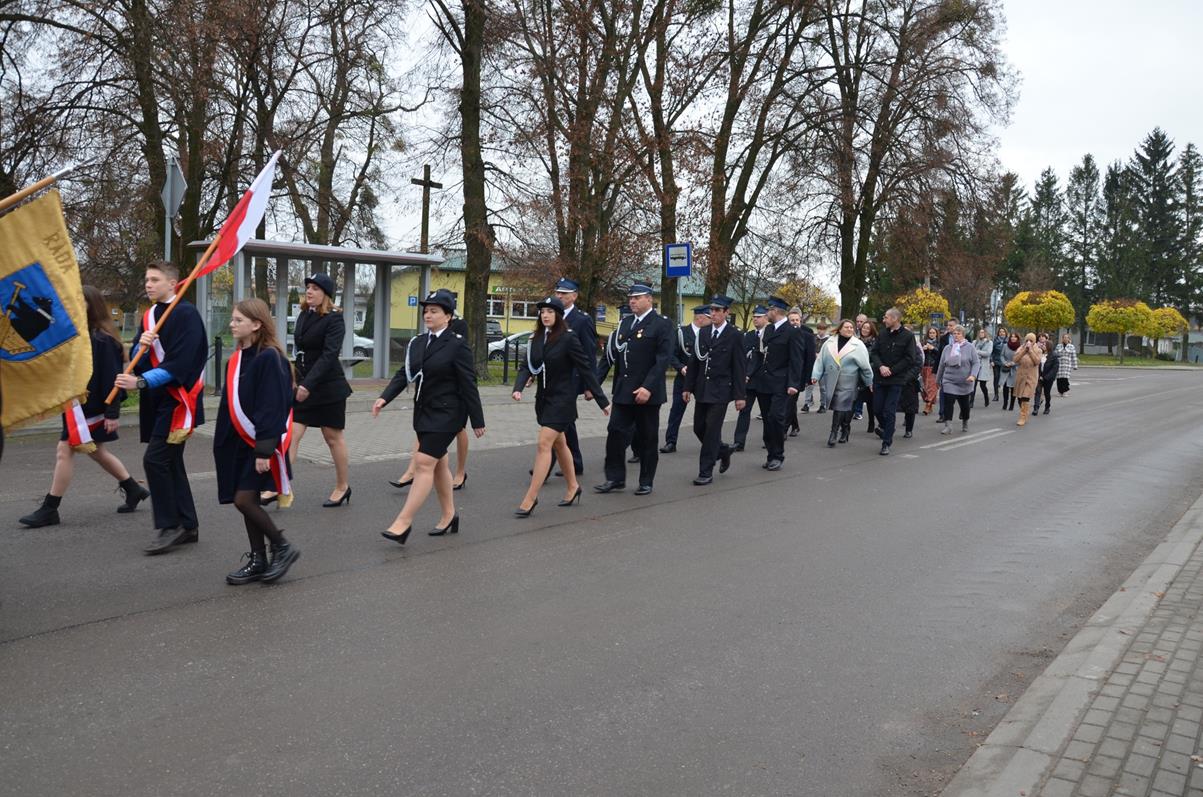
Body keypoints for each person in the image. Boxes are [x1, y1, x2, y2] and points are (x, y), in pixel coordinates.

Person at [19, 285, 149, 528]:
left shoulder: (102, 339)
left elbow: (113, 378)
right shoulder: (80, 335)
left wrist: (112, 413)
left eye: (81, 301)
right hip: (78, 405)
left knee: (65, 450)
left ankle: (50, 508)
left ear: (92, 306)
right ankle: (133, 488)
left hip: (93, 408)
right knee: (96, 451)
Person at [372, 289, 486, 543]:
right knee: (439, 465)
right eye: (426, 311)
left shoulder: (457, 344)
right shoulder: (418, 342)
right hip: (424, 412)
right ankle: (449, 515)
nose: (428, 315)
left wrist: (477, 420)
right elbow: (404, 374)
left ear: (448, 316)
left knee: (423, 462)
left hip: (448, 414)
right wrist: (384, 398)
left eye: (434, 311)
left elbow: (469, 383)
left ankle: (403, 523)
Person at [114, 261, 207, 556]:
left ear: (172, 283)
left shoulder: (185, 314)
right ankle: (188, 525)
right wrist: (139, 347)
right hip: (158, 401)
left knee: (155, 460)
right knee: (170, 462)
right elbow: (141, 360)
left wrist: (141, 382)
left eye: (155, 279)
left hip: (179, 401)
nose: (148, 284)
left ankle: (171, 525)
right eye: (147, 279)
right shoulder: (150, 315)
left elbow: (182, 363)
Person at [214, 299, 301, 585]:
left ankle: (282, 547)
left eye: (238, 320)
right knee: (246, 500)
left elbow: (271, 406)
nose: (232, 324)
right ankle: (258, 558)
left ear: (256, 324)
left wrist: (264, 449)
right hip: (238, 443)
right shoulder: (237, 359)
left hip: (259, 443)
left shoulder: (269, 358)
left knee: (244, 500)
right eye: (233, 319)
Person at [511, 296, 610, 515]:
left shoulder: (568, 338)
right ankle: (573, 486)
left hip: (563, 400)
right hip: (543, 400)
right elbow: (527, 366)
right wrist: (518, 388)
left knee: (543, 444)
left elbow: (586, 369)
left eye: (550, 312)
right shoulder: (536, 338)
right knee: (560, 444)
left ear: (558, 315)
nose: (545, 315)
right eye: (542, 312)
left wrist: (602, 400)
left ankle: (530, 498)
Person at [266, 272, 352, 508]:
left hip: (329, 388)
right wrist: (294, 378)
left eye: (315, 288)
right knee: (291, 434)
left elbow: (329, 355)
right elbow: (301, 352)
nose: (309, 292)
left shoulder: (335, 319)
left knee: (332, 438)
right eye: (308, 288)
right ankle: (278, 485)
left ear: (326, 294)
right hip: (304, 385)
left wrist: (307, 384)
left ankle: (342, 486)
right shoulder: (304, 314)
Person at [594, 283, 673, 496]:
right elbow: (612, 356)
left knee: (647, 437)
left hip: (648, 393)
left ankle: (646, 480)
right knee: (615, 433)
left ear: (649, 299)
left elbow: (662, 359)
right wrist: (594, 384)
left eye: (637, 298)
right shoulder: (625, 324)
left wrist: (648, 387)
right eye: (630, 298)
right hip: (624, 390)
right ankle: (615, 478)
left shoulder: (662, 324)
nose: (632, 301)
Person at [682, 295, 746, 485]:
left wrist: (740, 395)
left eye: (718, 310)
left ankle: (705, 471)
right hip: (702, 388)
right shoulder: (703, 332)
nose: (714, 313)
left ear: (727, 312)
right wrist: (687, 387)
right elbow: (694, 361)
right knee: (698, 427)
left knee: (711, 430)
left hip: (721, 391)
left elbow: (739, 367)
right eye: (712, 310)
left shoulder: (735, 335)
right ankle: (723, 450)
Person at [752, 296, 804, 470]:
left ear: (774, 311)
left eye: (768, 310)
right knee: (767, 419)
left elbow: (796, 360)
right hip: (764, 382)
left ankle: (777, 455)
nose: (766, 313)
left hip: (781, 383)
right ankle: (770, 454)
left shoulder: (792, 332)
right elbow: (760, 355)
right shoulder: (768, 330)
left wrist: (793, 383)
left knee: (776, 417)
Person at [555, 277, 597, 475]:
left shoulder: (582, 320)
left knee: (559, 419)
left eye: (563, 293)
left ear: (574, 296)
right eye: (557, 292)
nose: (559, 296)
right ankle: (573, 462)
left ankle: (548, 463)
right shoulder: (551, 316)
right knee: (564, 420)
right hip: (553, 378)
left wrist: (590, 385)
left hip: (572, 378)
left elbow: (589, 354)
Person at [810, 319, 872, 447]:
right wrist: (816, 375)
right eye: (846, 327)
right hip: (833, 379)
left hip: (850, 380)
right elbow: (821, 360)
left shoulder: (858, 345)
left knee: (841, 407)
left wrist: (869, 381)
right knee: (842, 407)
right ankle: (844, 429)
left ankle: (835, 432)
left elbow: (865, 366)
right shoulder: (829, 342)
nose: (849, 329)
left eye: (851, 327)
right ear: (840, 329)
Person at [869, 307, 921, 455]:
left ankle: (886, 443)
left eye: (886, 317)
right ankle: (888, 428)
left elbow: (910, 358)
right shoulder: (882, 334)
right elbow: (874, 353)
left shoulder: (908, 336)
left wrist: (891, 370)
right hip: (880, 378)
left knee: (889, 411)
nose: (884, 320)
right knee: (877, 409)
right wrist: (881, 366)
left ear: (895, 319)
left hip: (896, 380)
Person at [661, 305, 711, 453]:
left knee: (705, 412)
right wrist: (681, 367)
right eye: (709, 317)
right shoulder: (681, 333)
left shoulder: (710, 334)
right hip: (684, 378)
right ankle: (671, 441)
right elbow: (671, 354)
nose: (712, 320)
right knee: (676, 410)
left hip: (702, 379)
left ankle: (709, 441)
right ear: (700, 318)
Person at [732, 306, 767, 452]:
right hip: (749, 381)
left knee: (767, 413)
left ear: (766, 318)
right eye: (754, 317)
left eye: (758, 317)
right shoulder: (749, 335)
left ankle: (769, 440)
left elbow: (761, 358)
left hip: (765, 380)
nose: (755, 319)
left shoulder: (770, 334)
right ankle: (739, 442)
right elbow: (743, 357)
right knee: (744, 411)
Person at [936, 325, 980, 434]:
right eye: (954, 334)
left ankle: (965, 421)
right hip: (949, 380)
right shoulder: (947, 348)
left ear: (963, 335)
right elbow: (941, 365)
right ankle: (948, 426)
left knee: (965, 406)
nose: (956, 335)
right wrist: (937, 380)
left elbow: (976, 363)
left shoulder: (970, 347)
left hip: (965, 381)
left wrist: (973, 375)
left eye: (958, 333)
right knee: (948, 402)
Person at [1012, 332, 1042, 427]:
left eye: (1031, 340)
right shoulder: (1021, 348)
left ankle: (1022, 417)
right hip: (1021, 377)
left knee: (1025, 396)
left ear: (1034, 341)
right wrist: (1024, 350)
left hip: (1031, 377)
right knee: (1020, 398)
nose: (1029, 342)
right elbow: (1015, 359)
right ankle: (1025, 412)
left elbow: (1037, 361)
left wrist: (1030, 351)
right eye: (1027, 340)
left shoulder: (1038, 350)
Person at [802, 322, 830, 413]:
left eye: (822, 329)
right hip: (813, 365)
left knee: (823, 387)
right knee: (809, 385)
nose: (820, 331)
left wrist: (821, 355)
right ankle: (807, 403)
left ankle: (823, 404)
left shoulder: (829, 340)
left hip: (823, 366)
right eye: (819, 329)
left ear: (826, 330)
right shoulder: (814, 338)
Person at [857, 321, 878, 429]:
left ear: (871, 330)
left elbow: (876, 359)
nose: (864, 330)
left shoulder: (875, 343)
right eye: (863, 327)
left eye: (867, 328)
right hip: (857, 374)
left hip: (870, 374)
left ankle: (871, 422)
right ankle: (845, 426)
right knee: (854, 400)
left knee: (870, 401)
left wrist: (866, 366)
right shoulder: (856, 341)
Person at [1034, 338, 1059, 416]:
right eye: (1042, 344)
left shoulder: (1054, 356)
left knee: (1047, 393)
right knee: (1038, 392)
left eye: (1044, 344)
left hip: (1048, 378)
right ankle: (1036, 408)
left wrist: (1045, 377)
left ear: (1049, 346)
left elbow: (1054, 369)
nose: (1043, 345)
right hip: (1039, 376)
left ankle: (1047, 407)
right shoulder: (1040, 353)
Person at [920, 326, 939, 414]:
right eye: (930, 333)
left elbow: (940, 354)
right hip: (924, 367)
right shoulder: (923, 342)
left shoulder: (939, 343)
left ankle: (928, 405)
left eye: (933, 333)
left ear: (936, 334)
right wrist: (922, 350)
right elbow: (918, 354)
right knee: (925, 387)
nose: (931, 334)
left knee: (932, 386)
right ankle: (930, 404)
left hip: (934, 367)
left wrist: (933, 348)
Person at [972, 328, 993, 407]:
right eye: (980, 332)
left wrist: (977, 351)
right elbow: (971, 352)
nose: (981, 334)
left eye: (983, 332)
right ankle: (971, 402)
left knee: (982, 385)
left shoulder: (989, 342)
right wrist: (978, 353)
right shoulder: (974, 342)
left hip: (984, 366)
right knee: (973, 384)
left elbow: (988, 353)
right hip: (975, 365)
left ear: (985, 333)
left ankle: (986, 398)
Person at [999, 332, 1020, 410]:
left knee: (1013, 388)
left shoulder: (1020, 347)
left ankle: (1011, 405)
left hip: (1015, 370)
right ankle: (1005, 403)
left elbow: (1021, 358)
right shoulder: (1005, 346)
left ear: (1017, 338)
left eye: (1015, 337)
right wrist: (1005, 363)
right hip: (1006, 368)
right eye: (1012, 336)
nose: (1013, 338)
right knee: (1005, 387)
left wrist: (1013, 363)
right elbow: (1001, 355)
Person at [991, 326, 1008, 401]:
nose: (1002, 333)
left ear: (1005, 333)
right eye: (1000, 332)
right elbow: (991, 352)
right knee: (996, 377)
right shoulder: (995, 341)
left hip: (1005, 363)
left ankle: (1005, 396)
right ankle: (996, 395)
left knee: (1004, 379)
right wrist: (991, 361)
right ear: (998, 333)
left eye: (1003, 332)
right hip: (996, 362)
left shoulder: (1008, 341)